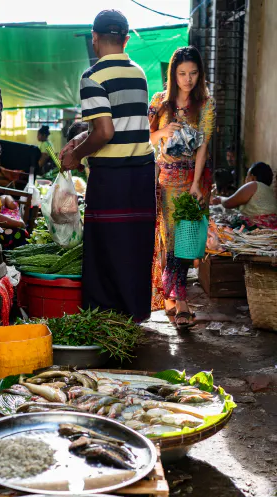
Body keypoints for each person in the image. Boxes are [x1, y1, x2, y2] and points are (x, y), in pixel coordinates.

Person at [60, 10, 156, 322]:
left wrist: (77, 156)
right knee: (135, 247)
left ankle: (106, 323)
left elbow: (105, 131)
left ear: (95, 38)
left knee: (106, 250)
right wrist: (78, 143)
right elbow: (118, 124)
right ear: (126, 39)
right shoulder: (139, 73)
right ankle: (134, 318)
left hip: (112, 179)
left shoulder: (92, 77)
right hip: (141, 176)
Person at [149, 46, 215, 329]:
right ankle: (181, 302)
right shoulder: (159, 101)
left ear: (200, 74)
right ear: (172, 74)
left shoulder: (205, 103)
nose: (187, 79)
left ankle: (174, 298)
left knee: (187, 241)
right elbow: (144, 137)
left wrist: (198, 184)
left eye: (193, 73)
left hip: (193, 181)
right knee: (171, 241)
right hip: (165, 180)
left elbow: (203, 148)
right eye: (182, 74)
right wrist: (162, 132)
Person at [211, 162, 277, 229]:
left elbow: (228, 203)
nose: (246, 178)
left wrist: (220, 199)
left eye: (247, 175)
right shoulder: (270, 191)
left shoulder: (253, 185)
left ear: (253, 178)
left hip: (258, 228)